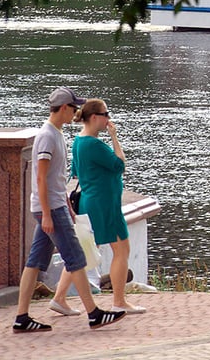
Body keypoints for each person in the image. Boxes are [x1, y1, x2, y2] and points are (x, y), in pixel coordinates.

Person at [12, 87, 127, 332]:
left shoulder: (56, 134)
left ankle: (21, 317)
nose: (76, 112)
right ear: (64, 107)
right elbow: (41, 178)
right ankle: (94, 313)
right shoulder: (48, 136)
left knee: (34, 262)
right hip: (51, 209)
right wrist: (47, 214)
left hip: (54, 206)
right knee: (76, 258)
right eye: (73, 107)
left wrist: (66, 204)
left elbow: (56, 179)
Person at [55, 99, 147, 315]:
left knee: (83, 251)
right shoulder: (94, 144)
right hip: (105, 204)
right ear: (95, 117)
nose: (108, 119)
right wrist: (114, 137)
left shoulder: (79, 141)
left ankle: (59, 298)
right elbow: (119, 164)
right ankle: (119, 301)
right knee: (122, 249)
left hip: (89, 201)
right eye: (106, 114)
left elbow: (75, 172)